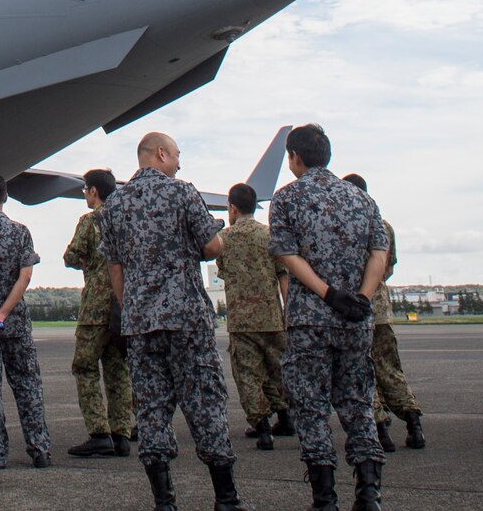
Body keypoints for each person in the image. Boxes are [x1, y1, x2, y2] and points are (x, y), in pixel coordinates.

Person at [101, 131, 247, 511]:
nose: (179, 163)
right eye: (177, 155)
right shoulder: (182, 192)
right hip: (186, 320)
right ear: (161, 153)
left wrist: (131, 305)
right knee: (206, 403)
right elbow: (212, 246)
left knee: (150, 408)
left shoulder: (114, 205)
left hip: (140, 323)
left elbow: (114, 267)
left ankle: (164, 502)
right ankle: (226, 499)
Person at [270, 124, 386, 511]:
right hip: (356, 319)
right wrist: (362, 298)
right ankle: (369, 495)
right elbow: (378, 254)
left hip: (310, 320)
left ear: (295, 157)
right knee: (357, 404)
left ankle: (325, 499)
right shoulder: (361, 199)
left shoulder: (286, 199)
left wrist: (327, 294)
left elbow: (288, 256)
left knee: (311, 407)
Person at [0, 172, 52, 469]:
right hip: (15, 324)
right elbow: (26, 275)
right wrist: (4, 314)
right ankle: (39, 447)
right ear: (5, 197)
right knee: (28, 385)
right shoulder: (20, 231)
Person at [342, 174, 424, 452]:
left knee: (362, 371)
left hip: (355, 309)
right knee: (390, 368)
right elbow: (388, 266)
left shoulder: (346, 225)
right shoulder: (384, 225)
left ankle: (380, 428)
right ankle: (413, 422)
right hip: (381, 309)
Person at [214, 183, 290, 450]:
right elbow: (283, 276)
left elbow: (222, 270)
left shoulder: (223, 238)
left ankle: (262, 428)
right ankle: (286, 416)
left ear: (232, 208)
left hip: (241, 320)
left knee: (248, 375)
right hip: (272, 317)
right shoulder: (271, 236)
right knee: (278, 370)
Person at [64, 168, 134, 458]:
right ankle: (122, 433)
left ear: (93, 191)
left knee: (85, 366)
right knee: (118, 370)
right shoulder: (127, 219)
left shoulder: (90, 220)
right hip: (122, 305)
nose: (84, 194)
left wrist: (85, 262)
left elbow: (70, 256)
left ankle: (98, 431)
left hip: (95, 306)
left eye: (85, 190)